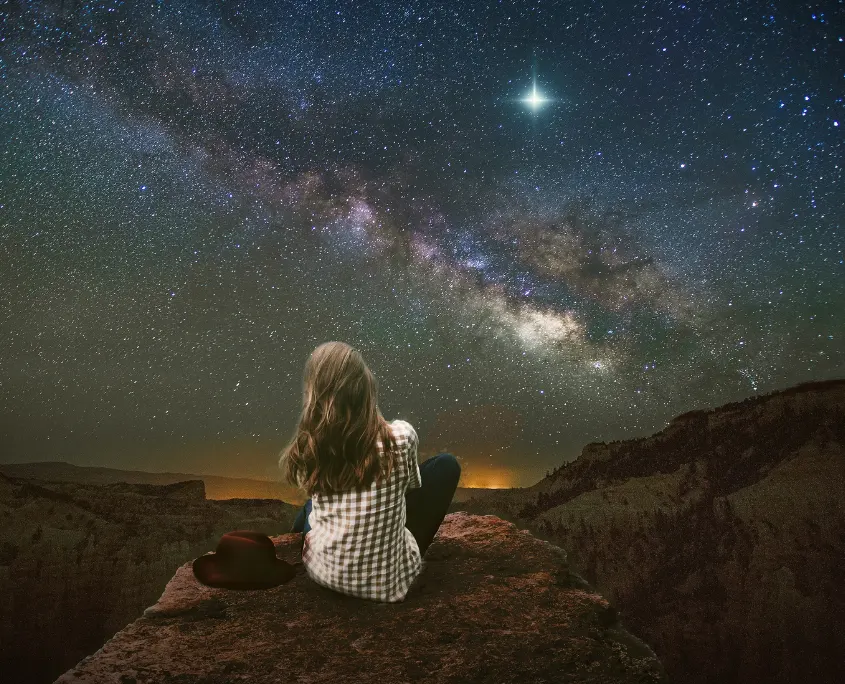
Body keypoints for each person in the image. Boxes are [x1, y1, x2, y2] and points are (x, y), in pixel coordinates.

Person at [279, 341, 461, 602]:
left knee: (310, 506)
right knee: (446, 465)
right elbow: (411, 487)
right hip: (389, 585)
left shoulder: (310, 446)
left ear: (314, 393)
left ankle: (299, 534)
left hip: (324, 575)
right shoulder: (402, 436)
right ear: (365, 387)